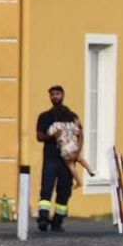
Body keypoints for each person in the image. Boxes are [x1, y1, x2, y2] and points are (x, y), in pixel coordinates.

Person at [35, 85, 79, 231]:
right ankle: (43, 218)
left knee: (65, 190)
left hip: (67, 160)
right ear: (50, 97)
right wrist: (52, 136)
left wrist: (76, 153)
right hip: (51, 158)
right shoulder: (44, 117)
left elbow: (79, 135)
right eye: (53, 94)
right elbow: (39, 136)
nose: (55, 97)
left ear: (63, 95)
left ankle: (58, 221)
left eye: (58, 94)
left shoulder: (72, 116)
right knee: (46, 189)